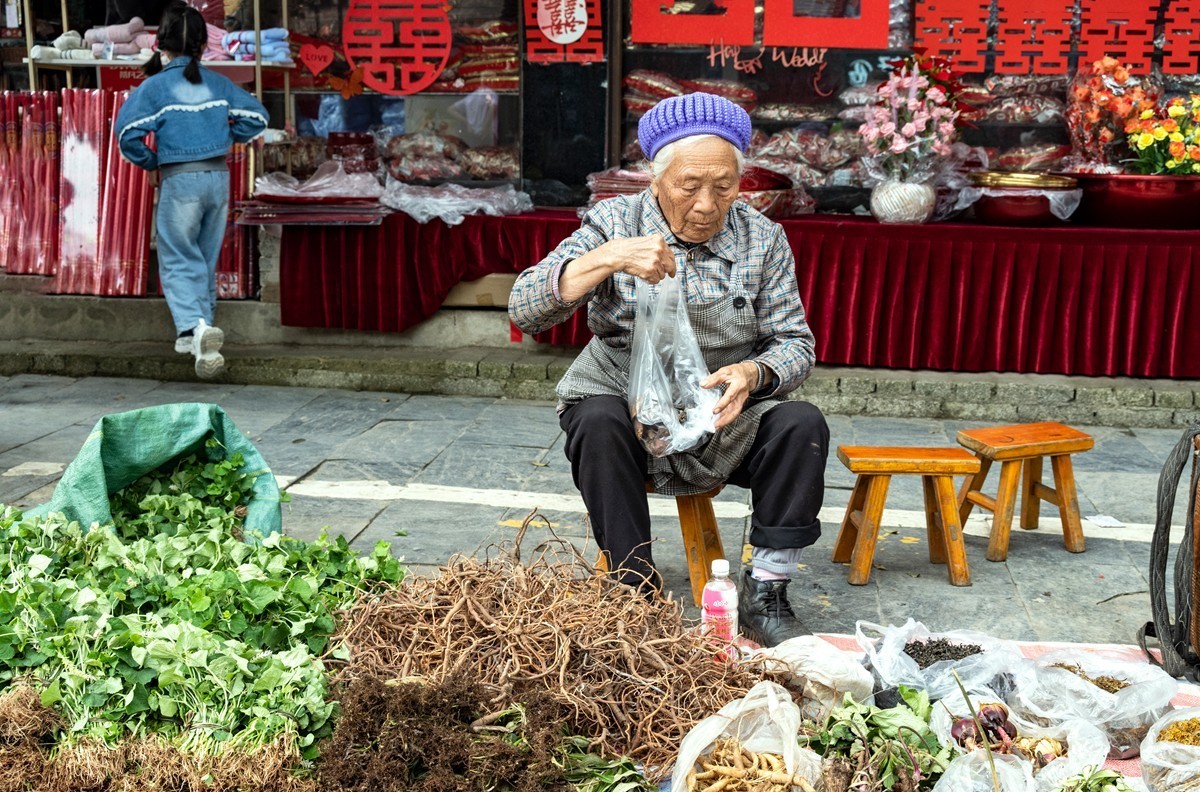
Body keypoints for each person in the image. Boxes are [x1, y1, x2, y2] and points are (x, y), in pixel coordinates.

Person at [508, 92, 829, 647]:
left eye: (724, 186)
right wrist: (607, 258)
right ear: (655, 179)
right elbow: (524, 309)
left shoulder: (763, 237)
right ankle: (632, 590)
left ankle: (767, 591)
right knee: (596, 420)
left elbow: (796, 343)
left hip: (721, 418)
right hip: (628, 412)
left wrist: (754, 373)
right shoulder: (613, 221)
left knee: (802, 425)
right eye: (689, 186)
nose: (707, 204)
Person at [114, 1, 268, 378]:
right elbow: (258, 118)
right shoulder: (218, 83)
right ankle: (202, 338)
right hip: (217, 179)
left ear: (160, 44)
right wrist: (225, 135)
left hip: (180, 179)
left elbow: (126, 136)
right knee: (202, 257)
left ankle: (193, 328)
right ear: (203, 44)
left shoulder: (154, 87)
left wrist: (152, 162)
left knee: (179, 258)